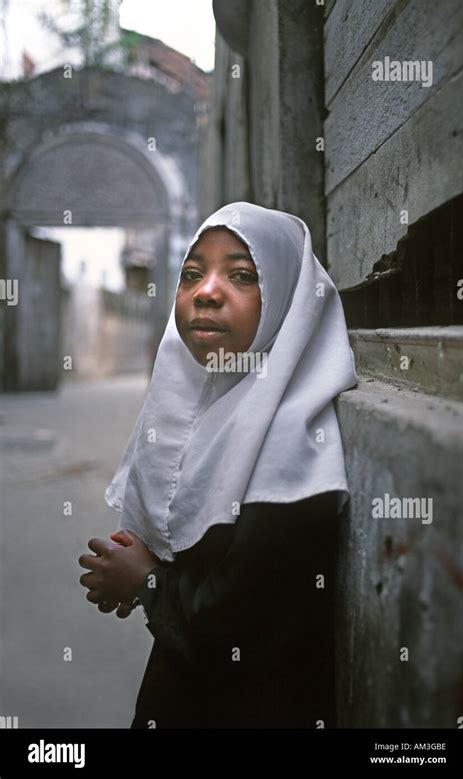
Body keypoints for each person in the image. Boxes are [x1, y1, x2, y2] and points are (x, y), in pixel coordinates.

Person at [78, 201, 357, 729]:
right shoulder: (214, 411)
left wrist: (147, 583)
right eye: (191, 274)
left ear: (287, 304)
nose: (205, 291)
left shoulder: (293, 450)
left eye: (241, 275)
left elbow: (243, 626)